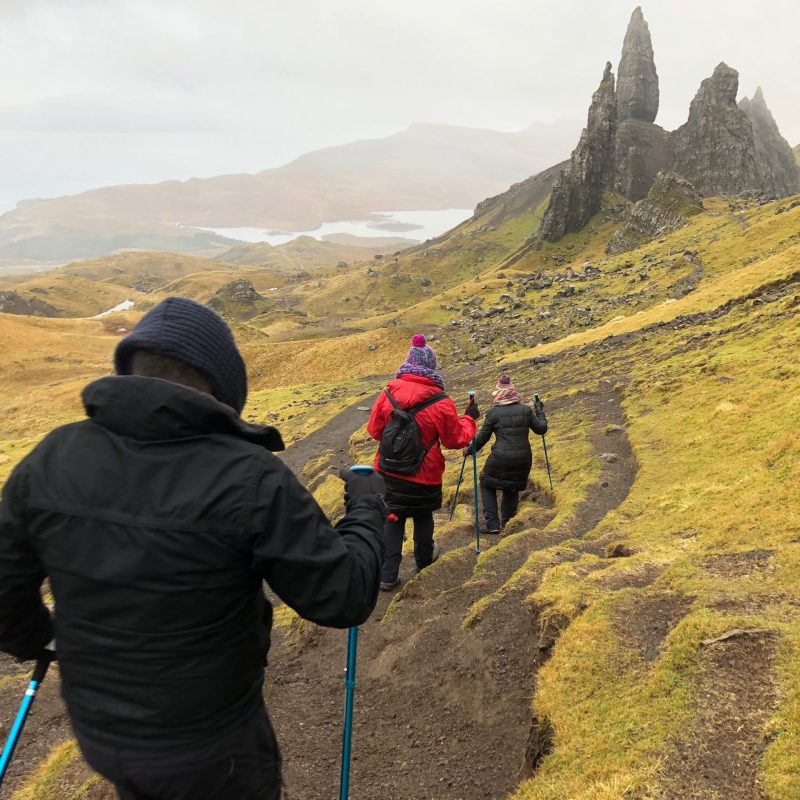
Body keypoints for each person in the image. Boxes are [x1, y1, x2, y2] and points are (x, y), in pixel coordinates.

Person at [0, 296, 386, 800]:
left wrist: (40, 639)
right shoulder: (249, 476)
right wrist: (365, 508)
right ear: (223, 387)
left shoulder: (51, 455)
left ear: (130, 370)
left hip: (101, 732)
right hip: (214, 747)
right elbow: (344, 596)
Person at [367, 334, 478, 591]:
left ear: (408, 362)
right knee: (423, 515)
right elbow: (455, 439)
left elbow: (374, 431)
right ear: (431, 367)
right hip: (425, 474)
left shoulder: (388, 392)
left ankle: (387, 575)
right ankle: (424, 560)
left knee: (391, 518)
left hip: (388, 471)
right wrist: (469, 419)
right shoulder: (441, 401)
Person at [469, 374, 548, 534]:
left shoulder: (493, 413)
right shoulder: (526, 410)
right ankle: (508, 523)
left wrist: (469, 450)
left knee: (486, 481)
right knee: (512, 486)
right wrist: (539, 410)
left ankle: (492, 524)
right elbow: (541, 429)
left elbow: (483, 438)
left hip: (501, 457)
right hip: (524, 458)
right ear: (513, 391)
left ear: (499, 392)